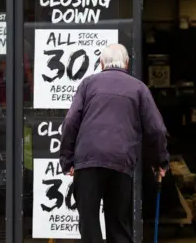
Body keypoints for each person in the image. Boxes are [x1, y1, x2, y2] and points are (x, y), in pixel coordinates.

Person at [59, 43, 169, 243]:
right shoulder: (139, 88)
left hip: (88, 163)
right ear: (126, 63)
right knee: (118, 225)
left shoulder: (88, 84)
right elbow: (157, 129)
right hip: (121, 162)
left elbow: (70, 122)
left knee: (89, 225)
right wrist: (160, 161)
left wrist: (67, 160)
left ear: (101, 63)